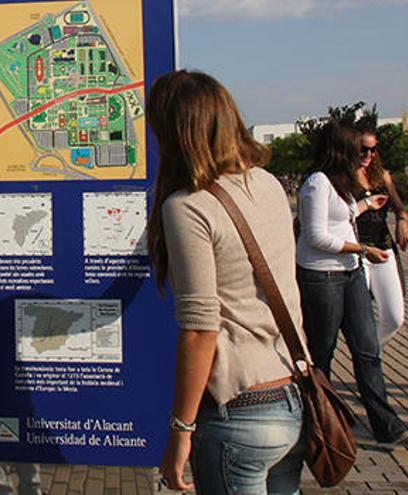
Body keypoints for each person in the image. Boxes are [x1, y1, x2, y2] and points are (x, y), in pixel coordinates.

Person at [149, 71, 307, 493]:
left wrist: (180, 430)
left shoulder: (189, 207)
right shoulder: (269, 185)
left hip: (237, 413)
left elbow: (201, 329)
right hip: (291, 397)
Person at [297, 121, 408, 445]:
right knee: (322, 352)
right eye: (357, 148)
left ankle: (386, 425)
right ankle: (319, 424)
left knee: (367, 349)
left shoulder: (341, 183)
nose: (363, 155)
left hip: (351, 272)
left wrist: (363, 207)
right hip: (323, 276)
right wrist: (362, 249)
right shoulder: (317, 183)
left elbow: (340, 219)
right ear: (340, 149)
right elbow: (315, 236)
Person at [355, 128, 407, 344]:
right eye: (363, 149)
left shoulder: (382, 176)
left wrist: (402, 221)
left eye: (373, 149)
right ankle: (367, 363)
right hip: (359, 252)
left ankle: (371, 354)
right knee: (360, 317)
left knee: (394, 317)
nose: (368, 154)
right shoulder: (343, 177)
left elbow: (398, 207)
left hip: (383, 249)